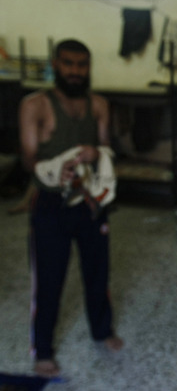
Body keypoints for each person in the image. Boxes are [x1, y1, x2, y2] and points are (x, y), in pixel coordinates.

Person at [19, 39, 123, 378]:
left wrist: (98, 154)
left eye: (82, 65)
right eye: (68, 64)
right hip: (51, 204)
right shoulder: (35, 106)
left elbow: (108, 149)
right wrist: (53, 169)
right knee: (48, 278)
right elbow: (29, 157)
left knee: (98, 270)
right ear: (55, 65)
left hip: (90, 200)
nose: (76, 71)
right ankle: (43, 350)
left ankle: (102, 330)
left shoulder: (99, 105)